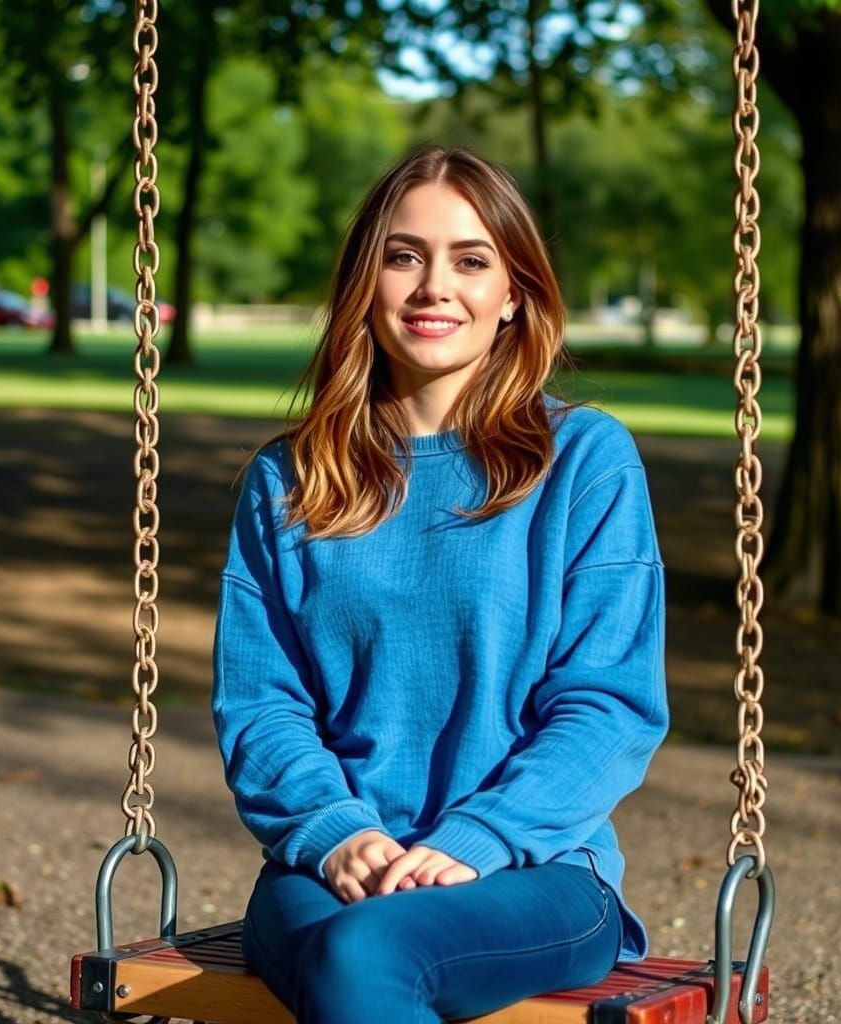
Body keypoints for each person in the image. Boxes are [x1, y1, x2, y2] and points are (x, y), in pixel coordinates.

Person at [212, 144, 668, 1023]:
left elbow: (608, 705)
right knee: (353, 950)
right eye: (404, 255)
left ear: (515, 296)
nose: (433, 287)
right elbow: (261, 705)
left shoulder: (585, 461)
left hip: (536, 871)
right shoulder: (291, 478)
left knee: (366, 954)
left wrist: (479, 838)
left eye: (470, 259)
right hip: (331, 866)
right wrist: (339, 834)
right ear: (365, 283)